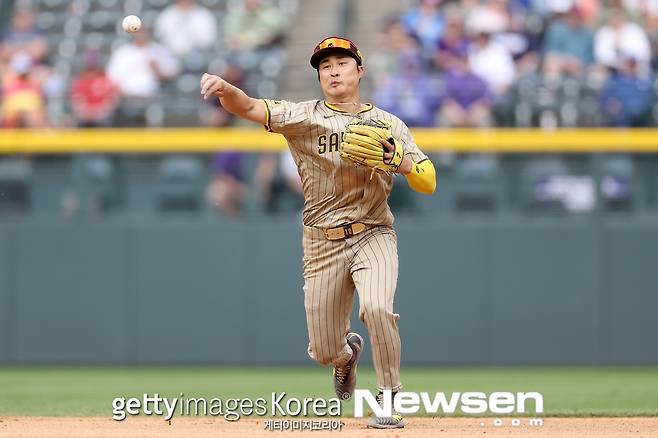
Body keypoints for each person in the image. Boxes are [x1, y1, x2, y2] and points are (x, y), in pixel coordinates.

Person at [200, 36, 436, 429]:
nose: (333, 70)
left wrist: (400, 161)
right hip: (322, 242)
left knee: (377, 308)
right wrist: (226, 89)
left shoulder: (388, 123)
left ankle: (389, 397)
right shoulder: (302, 117)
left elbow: (428, 181)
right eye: (325, 66)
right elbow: (250, 106)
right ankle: (346, 357)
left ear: (359, 70)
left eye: (342, 63)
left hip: (373, 231)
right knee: (325, 351)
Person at [69, 50, 120, 127]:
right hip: (84, 120)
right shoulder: (80, 82)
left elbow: (111, 102)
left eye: (93, 67)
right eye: (90, 67)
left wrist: (98, 113)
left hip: (103, 119)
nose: (92, 70)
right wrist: (89, 114)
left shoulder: (105, 81)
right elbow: (77, 104)